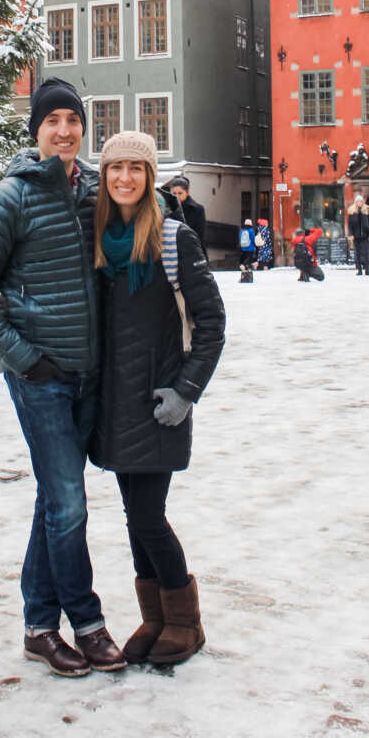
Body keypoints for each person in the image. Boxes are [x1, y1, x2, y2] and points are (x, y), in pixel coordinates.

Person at [0, 78, 125, 678]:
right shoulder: (9, 199)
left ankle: (36, 627)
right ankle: (86, 621)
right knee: (69, 502)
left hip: (87, 371)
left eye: (72, 120)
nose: (63, 130)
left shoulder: (92, 195)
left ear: (84, 128)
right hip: (40, 376)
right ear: (35, 129)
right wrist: (25, 358)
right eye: (51, 119)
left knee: (56, 501)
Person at [90, 132, 225, 665]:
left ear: (150, 178)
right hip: (115, 402)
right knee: (133, 515)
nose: (125, 177)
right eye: (115, 168)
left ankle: (186, 623)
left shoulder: (174, 239)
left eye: (136, 168)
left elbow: (212, 323)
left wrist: (186, 392)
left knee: (148, 516)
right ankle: (155, 617)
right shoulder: (100, 239)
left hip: (159, 400)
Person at [169, 175, 207, 253]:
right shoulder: (167, 209)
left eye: (180, 193)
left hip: (193, 252)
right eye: (174, 193)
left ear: (187, 193)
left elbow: (199, 235)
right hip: (172, 251)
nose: (177, 196)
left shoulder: (198, 209)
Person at [347, 195, 369, 277]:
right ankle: (359, 270)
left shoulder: (366, 211)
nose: (360, 203)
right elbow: (350, 225)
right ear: (356, 202)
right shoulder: (352, 212)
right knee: (357, 253)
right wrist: (351, 234)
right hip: (356, 235)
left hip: (365, 235)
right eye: (358, 201)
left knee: (365, 253)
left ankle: (367, 270)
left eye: (361, 201)